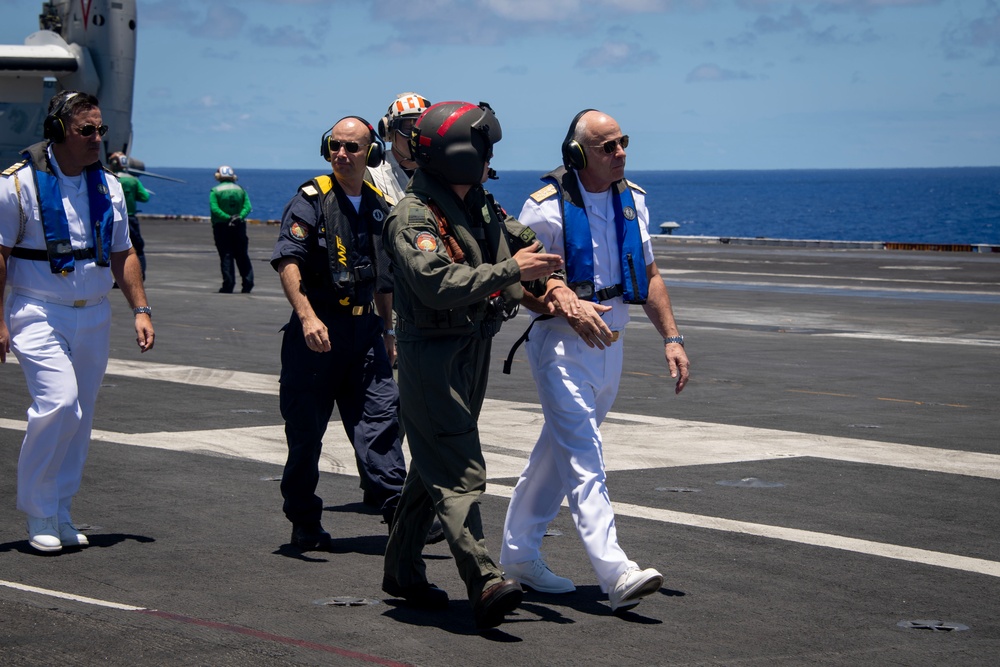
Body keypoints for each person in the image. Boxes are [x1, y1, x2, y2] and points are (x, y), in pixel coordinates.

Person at [380, 101, 564, 631]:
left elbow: (524, 243)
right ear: (465, 156)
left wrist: (552, 286)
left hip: (472, 346)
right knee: (459, 466)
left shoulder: (478, 202)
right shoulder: (413, 216)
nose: (491, 159)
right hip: (432, 352)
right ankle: (482, 578)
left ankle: (401, 570)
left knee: (435, 456)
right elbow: (434, 283)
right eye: (485, 150)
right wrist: (511, 269)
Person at [499, 109, 691, 612]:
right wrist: (564, 304)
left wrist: (672, 338)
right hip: (561, 344)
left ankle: (518, 555)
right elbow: (520, 281)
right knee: (585, 457)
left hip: (613, 343)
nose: (620, 152)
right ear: (578, 154)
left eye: (623, 142)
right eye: (608, 146)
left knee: (554, 457)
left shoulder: (636, 203)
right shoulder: (544, 208)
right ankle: (615, 571)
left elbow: (648, 276)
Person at [0, 91, 154, 554]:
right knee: (60, 403)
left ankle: (62, 509)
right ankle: (38, 510)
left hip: (94, 314)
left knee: (80, 416)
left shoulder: (108, 186)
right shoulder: (16, 185)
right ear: (57, 132)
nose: (97, 139)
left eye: (100, 129)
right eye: (86, 130)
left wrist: (141, 309)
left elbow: (124, 252)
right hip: (37, 309)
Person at [270, 116, 407, 551]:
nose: (342, 154)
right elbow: (288, 260)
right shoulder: (311, 199)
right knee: (306, 433)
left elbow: (384, 279)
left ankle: (398, 509)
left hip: (365, 332)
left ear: (372, 154)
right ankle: (304, 518)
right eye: (335, 145)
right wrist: (307, 316)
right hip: (317, 333)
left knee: (382, 419)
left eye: (352, 147)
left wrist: (387, 331)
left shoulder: (379, 205)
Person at [369, 91, 431, 205]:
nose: (414, 137)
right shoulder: (373, 175)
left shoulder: (442, 171)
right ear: (389, 131)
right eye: (408, 128)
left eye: (422, 129)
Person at [209, 165, 253, 293]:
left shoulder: (215, 190)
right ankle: (248, 283)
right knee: (242, 255)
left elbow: (214, 208)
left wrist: (227, 217)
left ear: (218, 176)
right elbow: (247, 206)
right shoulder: (240, 189)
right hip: (239, 225)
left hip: (222, 226)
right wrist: (239, 217)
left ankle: (228, 285)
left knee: (226, 256)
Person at [108, 152, 150, 279]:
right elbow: (145, 197)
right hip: (130, 219)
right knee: (137, 248)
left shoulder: (111, 179)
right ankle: (140, 275)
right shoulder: (133, 180)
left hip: (113, 218)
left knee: (113, 250)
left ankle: (117, 278)